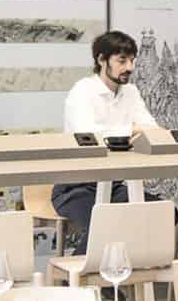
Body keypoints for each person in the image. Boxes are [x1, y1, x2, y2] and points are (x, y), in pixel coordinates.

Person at [55, 30, 160, 255]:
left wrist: (132, 131)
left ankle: (120, 271)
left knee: (164, 214)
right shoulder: (82, 91)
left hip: (115, 185)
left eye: (132, 60)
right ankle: (78, 273)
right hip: (76, 187)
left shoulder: (130, 92)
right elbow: (90, 137)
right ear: (102, 60)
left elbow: (153, 130)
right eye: (122, 60)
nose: (129, 67)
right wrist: (131, 130)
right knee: (105, 225)